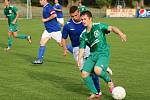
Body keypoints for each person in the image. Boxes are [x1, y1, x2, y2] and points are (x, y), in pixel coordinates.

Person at [61, 6, 112, 97]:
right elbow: (63, 39)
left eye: (76, 15)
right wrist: (65, 49)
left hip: (89, 47)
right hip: (77, 48)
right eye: (72, 16)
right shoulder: (68, 25)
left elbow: (97, 30)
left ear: (79, 13)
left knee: (93, 71)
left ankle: (98, 91)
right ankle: (102, 72)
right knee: (84, 72)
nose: (74, 18)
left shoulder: (85, 21)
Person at [78, 10, 127, 99]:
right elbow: (82, 49)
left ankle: (109, 82)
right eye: (82, 20)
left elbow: (111, 28)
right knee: (84, 73)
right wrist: (79, 60)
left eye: (85, 19)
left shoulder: (98, 26)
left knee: (97, 70)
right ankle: (94, 92)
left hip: (103, 53)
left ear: (90, 19)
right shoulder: (83, 35)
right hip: (93, 54)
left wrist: (120, 33)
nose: (83, 21)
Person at [33, 0, 61, 64]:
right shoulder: (45, 7)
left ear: (45, 0)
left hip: (54, 30)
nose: (39, 1)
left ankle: (78, 53)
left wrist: (46, 19)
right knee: (42, 43)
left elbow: (54, 15)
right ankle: (39, 60)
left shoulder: (48, 7)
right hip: (48, 30)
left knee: (62, 44)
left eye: (41, 0)